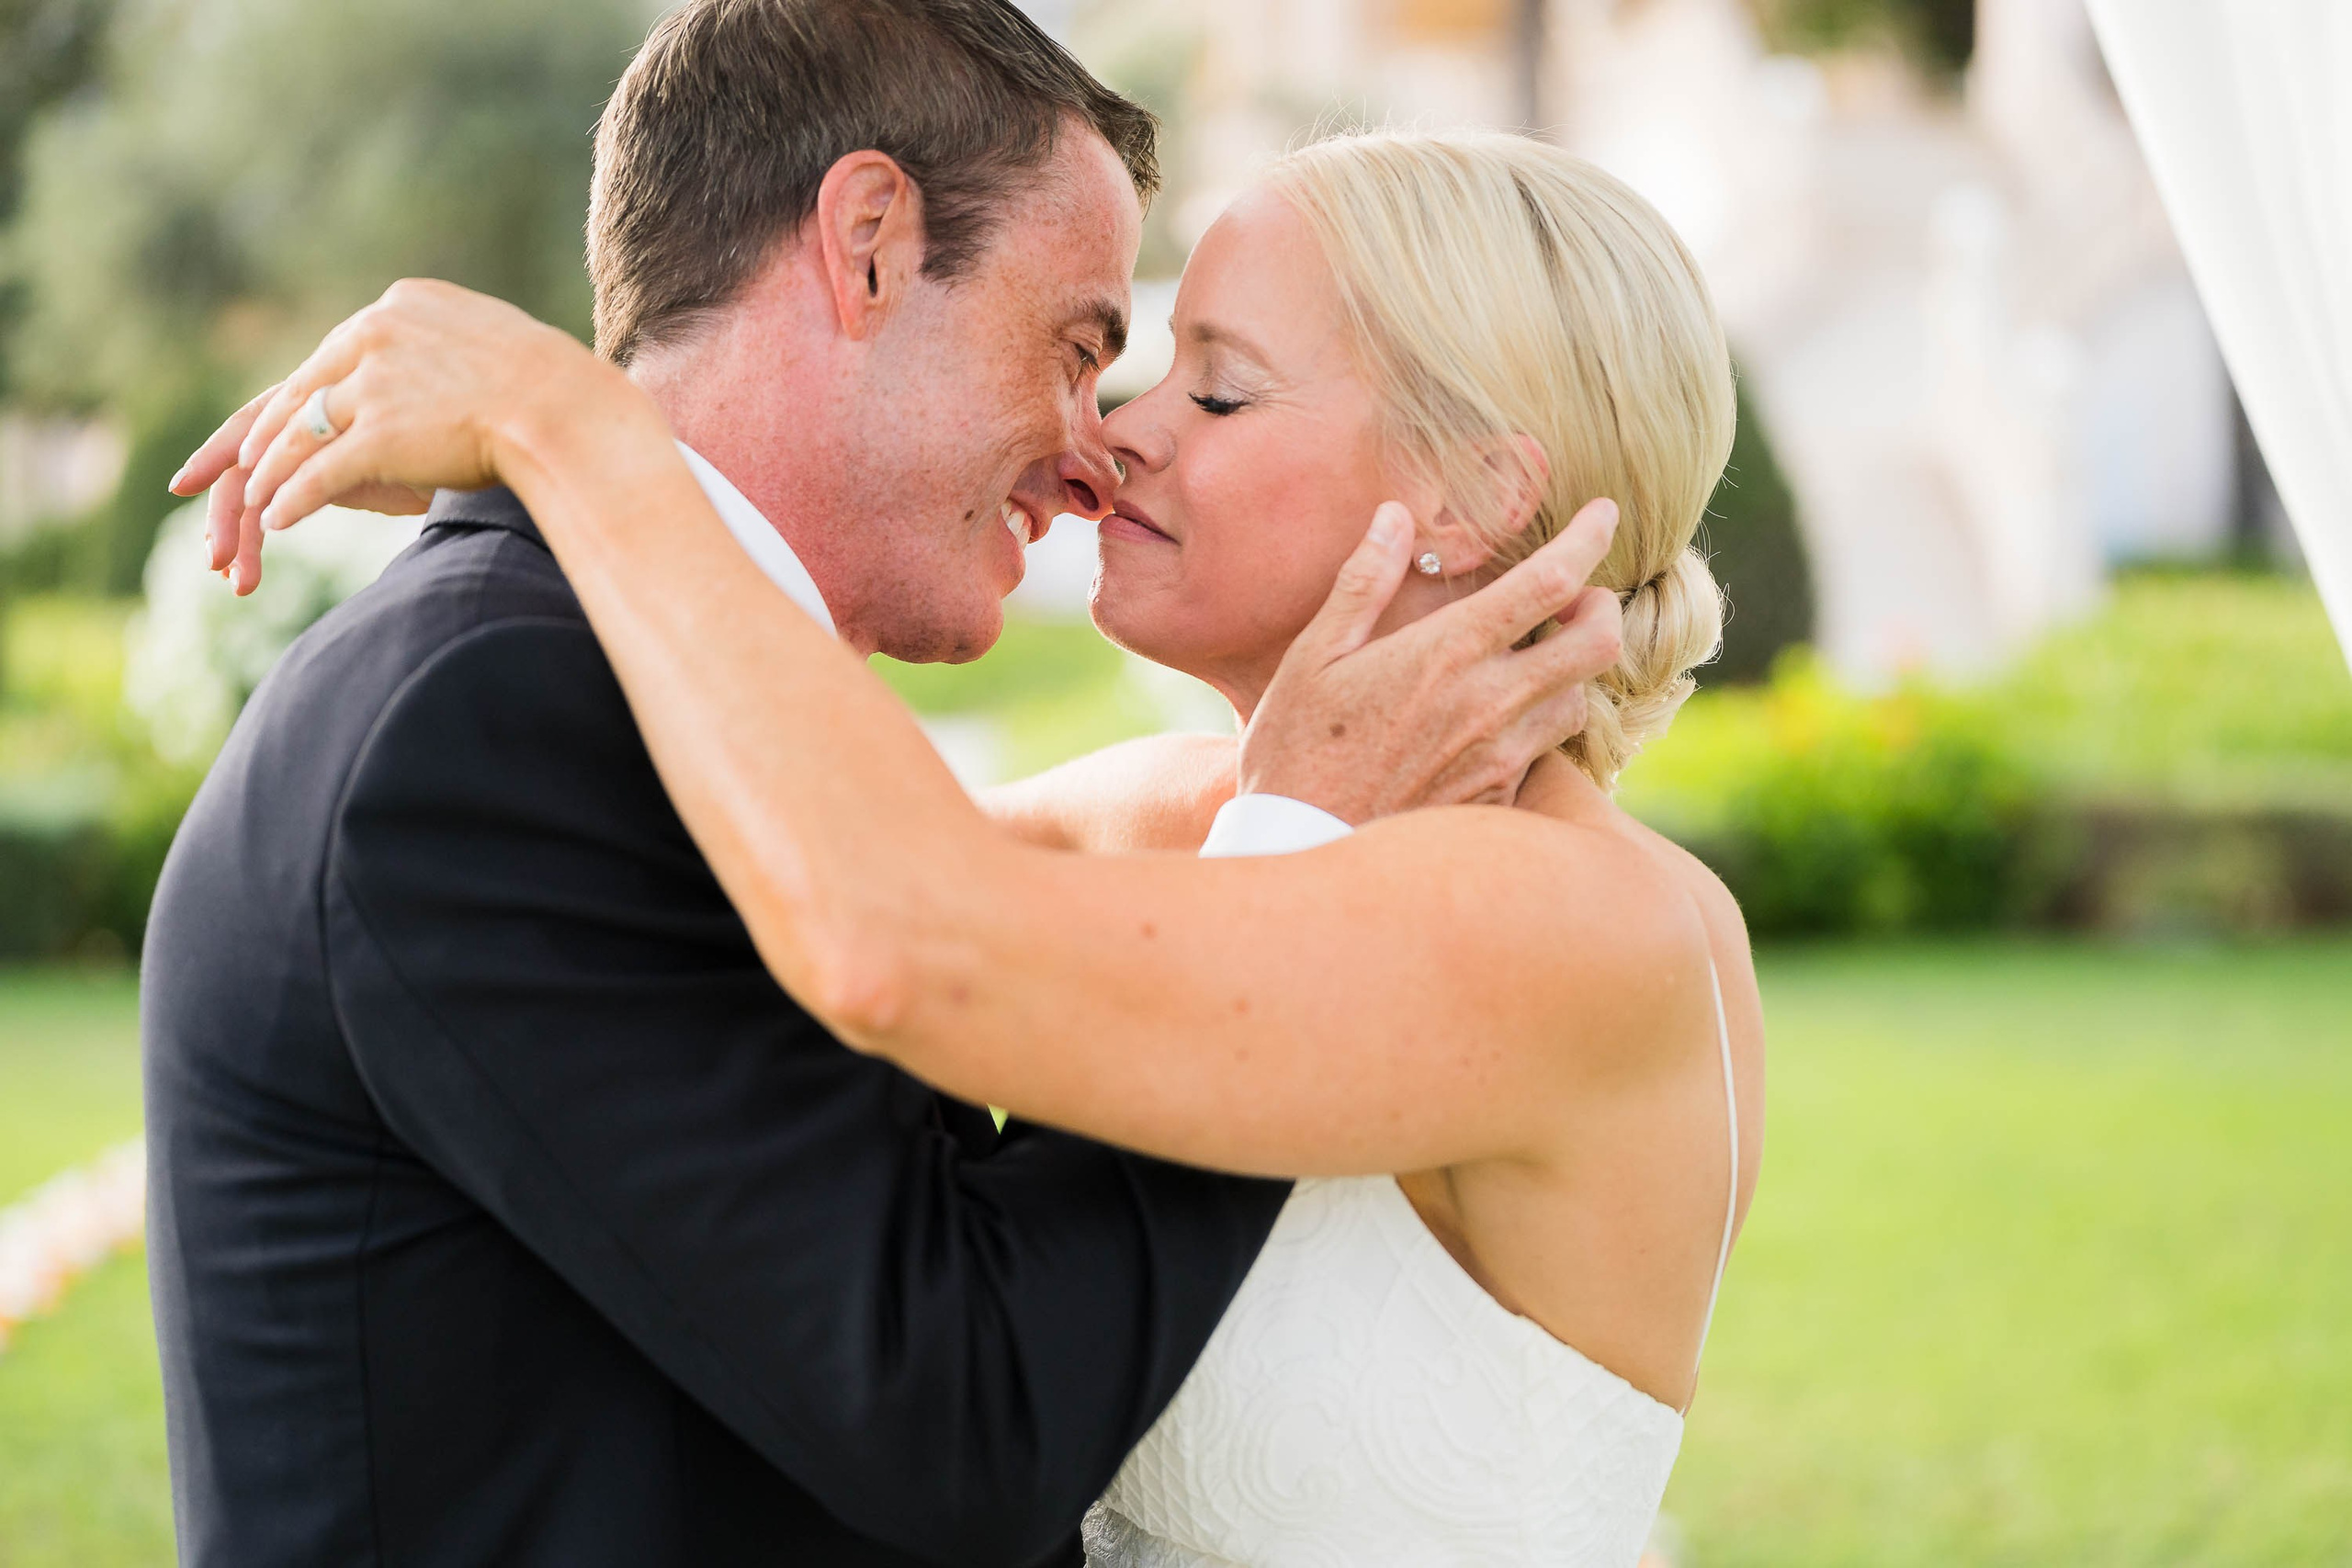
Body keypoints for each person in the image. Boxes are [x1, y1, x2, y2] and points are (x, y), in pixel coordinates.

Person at [144, 5, 1618, 1568]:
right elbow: (959, 1407)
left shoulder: (658, 699)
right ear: (867, 248)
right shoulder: (504, 717)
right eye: (1078, 350)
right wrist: (1295, 845)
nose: (1092, 454)